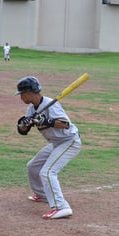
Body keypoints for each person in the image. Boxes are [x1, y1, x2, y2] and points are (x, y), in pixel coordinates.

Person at [15, 76, 81, 219]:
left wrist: (46, 121)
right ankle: (42, 195)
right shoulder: (31, 108)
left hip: (69, 141)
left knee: (48, 171)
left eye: (21, 94)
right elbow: (23, 132)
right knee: (33, 166)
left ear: (29, 92)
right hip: (56, 143)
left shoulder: (51, 104)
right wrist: (24, 124)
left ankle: (61, 207)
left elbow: (65, 124)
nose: (20, 97)